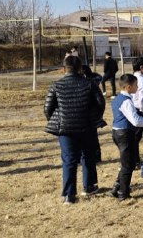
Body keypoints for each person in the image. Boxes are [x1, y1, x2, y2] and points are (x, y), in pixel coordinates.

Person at [44, 56, 105, 204]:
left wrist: (59, 120)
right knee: (88, 156)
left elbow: (47, 108)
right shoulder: (89, 84)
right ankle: (89, 186)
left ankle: (69, 195)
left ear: (64, 69)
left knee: (69, 160)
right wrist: (93, 117)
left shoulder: (56, 85)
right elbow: (100, 104)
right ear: (80, 68)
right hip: (87, 127)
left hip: (65, 129)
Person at [110, 74, 143, 201]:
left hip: (118, 132)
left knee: (129, 161)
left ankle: (117, 186)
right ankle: (123, 193)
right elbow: (136, 121)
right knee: (127, 165)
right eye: (136, 85)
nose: (137, 87)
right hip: (124, 134)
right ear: (128, 87)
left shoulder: (118, 98)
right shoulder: (126, 101)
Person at [131, 58, 143, 166]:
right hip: (139, 109)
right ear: (142, 68)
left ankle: (135, 159)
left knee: (134, 136)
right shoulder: (142, 79)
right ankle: (135, 160)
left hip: (132, 108)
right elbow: (142, 96)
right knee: (136, 136)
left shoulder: (132, 77)